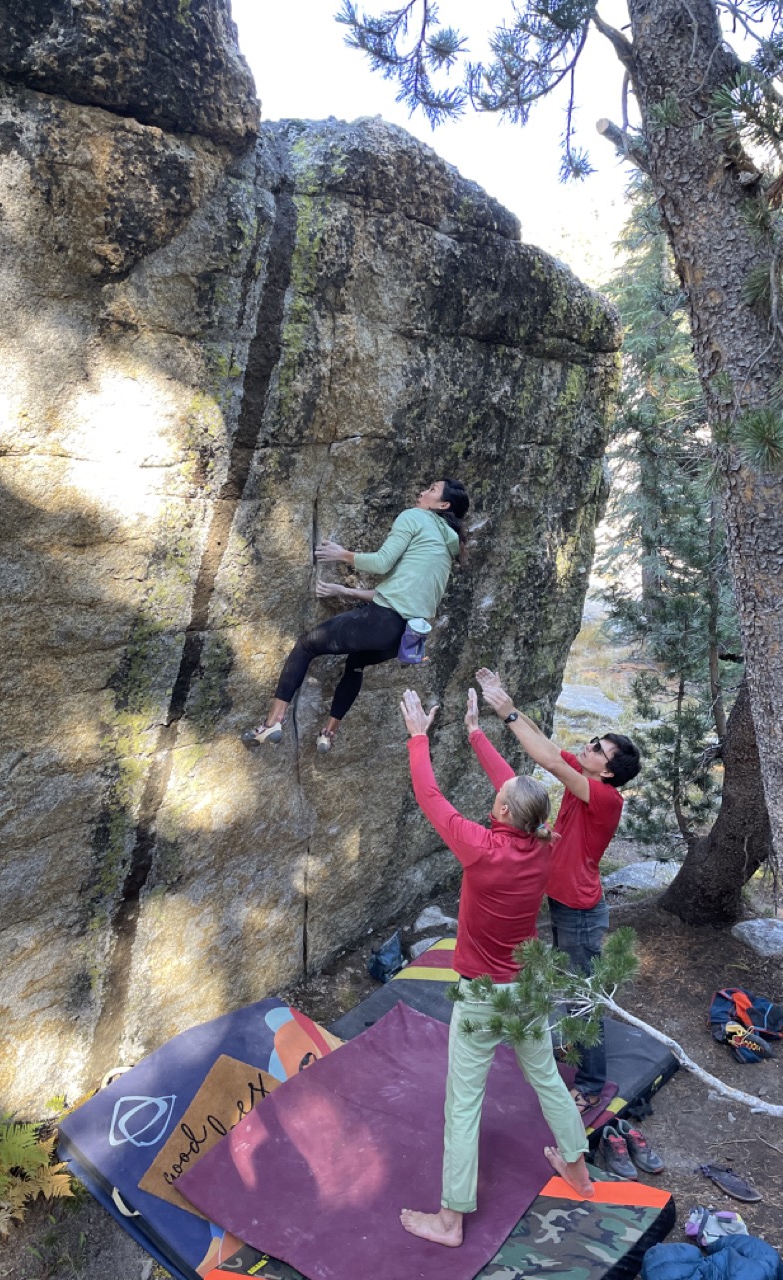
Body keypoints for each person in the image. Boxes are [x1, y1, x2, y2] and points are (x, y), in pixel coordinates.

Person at [398, 687, 593, 1249]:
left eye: (501, 793)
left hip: (483, 996)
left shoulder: (479, 846)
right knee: (547, 1079)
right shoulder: (543, 843)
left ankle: (451, 1219)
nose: (499, 789)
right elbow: (517, 790)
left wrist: (418, 735)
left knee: (464, 1104)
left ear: (503, 811)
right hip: (527, 989)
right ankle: (578, 1173)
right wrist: (476, 733)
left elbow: (429, 792)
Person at [475, 667, 642, 1113]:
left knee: (583, 996)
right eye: (593, 743)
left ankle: (589, 1084)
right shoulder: (584, 780)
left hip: (581, 913)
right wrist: (506, 704)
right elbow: (549, 750)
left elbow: (548, 762)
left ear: (609, 773)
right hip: (564, 903)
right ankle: (574, 1050)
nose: (588, 749)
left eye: (599, 751)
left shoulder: (604, 798)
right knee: (568, 985)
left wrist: (507, 713)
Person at [241, 478, 469, 753]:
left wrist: (341, 554)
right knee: (356, 663)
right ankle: (328, 733)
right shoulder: (447, 544)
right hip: (403, 639)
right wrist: (343, 590)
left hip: (383, 621)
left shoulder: (415, 517)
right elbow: (399, 596)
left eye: (432, 490)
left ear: (442, 504)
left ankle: (271, 724)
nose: (422, 492)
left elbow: (382, 563)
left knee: (305, 645)